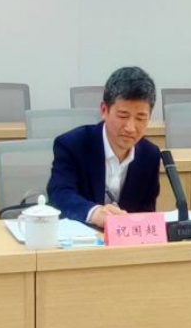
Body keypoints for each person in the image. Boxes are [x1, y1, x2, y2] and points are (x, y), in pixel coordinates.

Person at [47, 67, 161, 226]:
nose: (130, 128)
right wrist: (95, 213)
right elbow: (60, 195)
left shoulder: (150, 155)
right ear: (104, 110)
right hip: (81, 235)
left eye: (140, 118)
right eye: (123, 115)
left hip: (125, 238)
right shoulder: (72, 144)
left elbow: (146, 210)